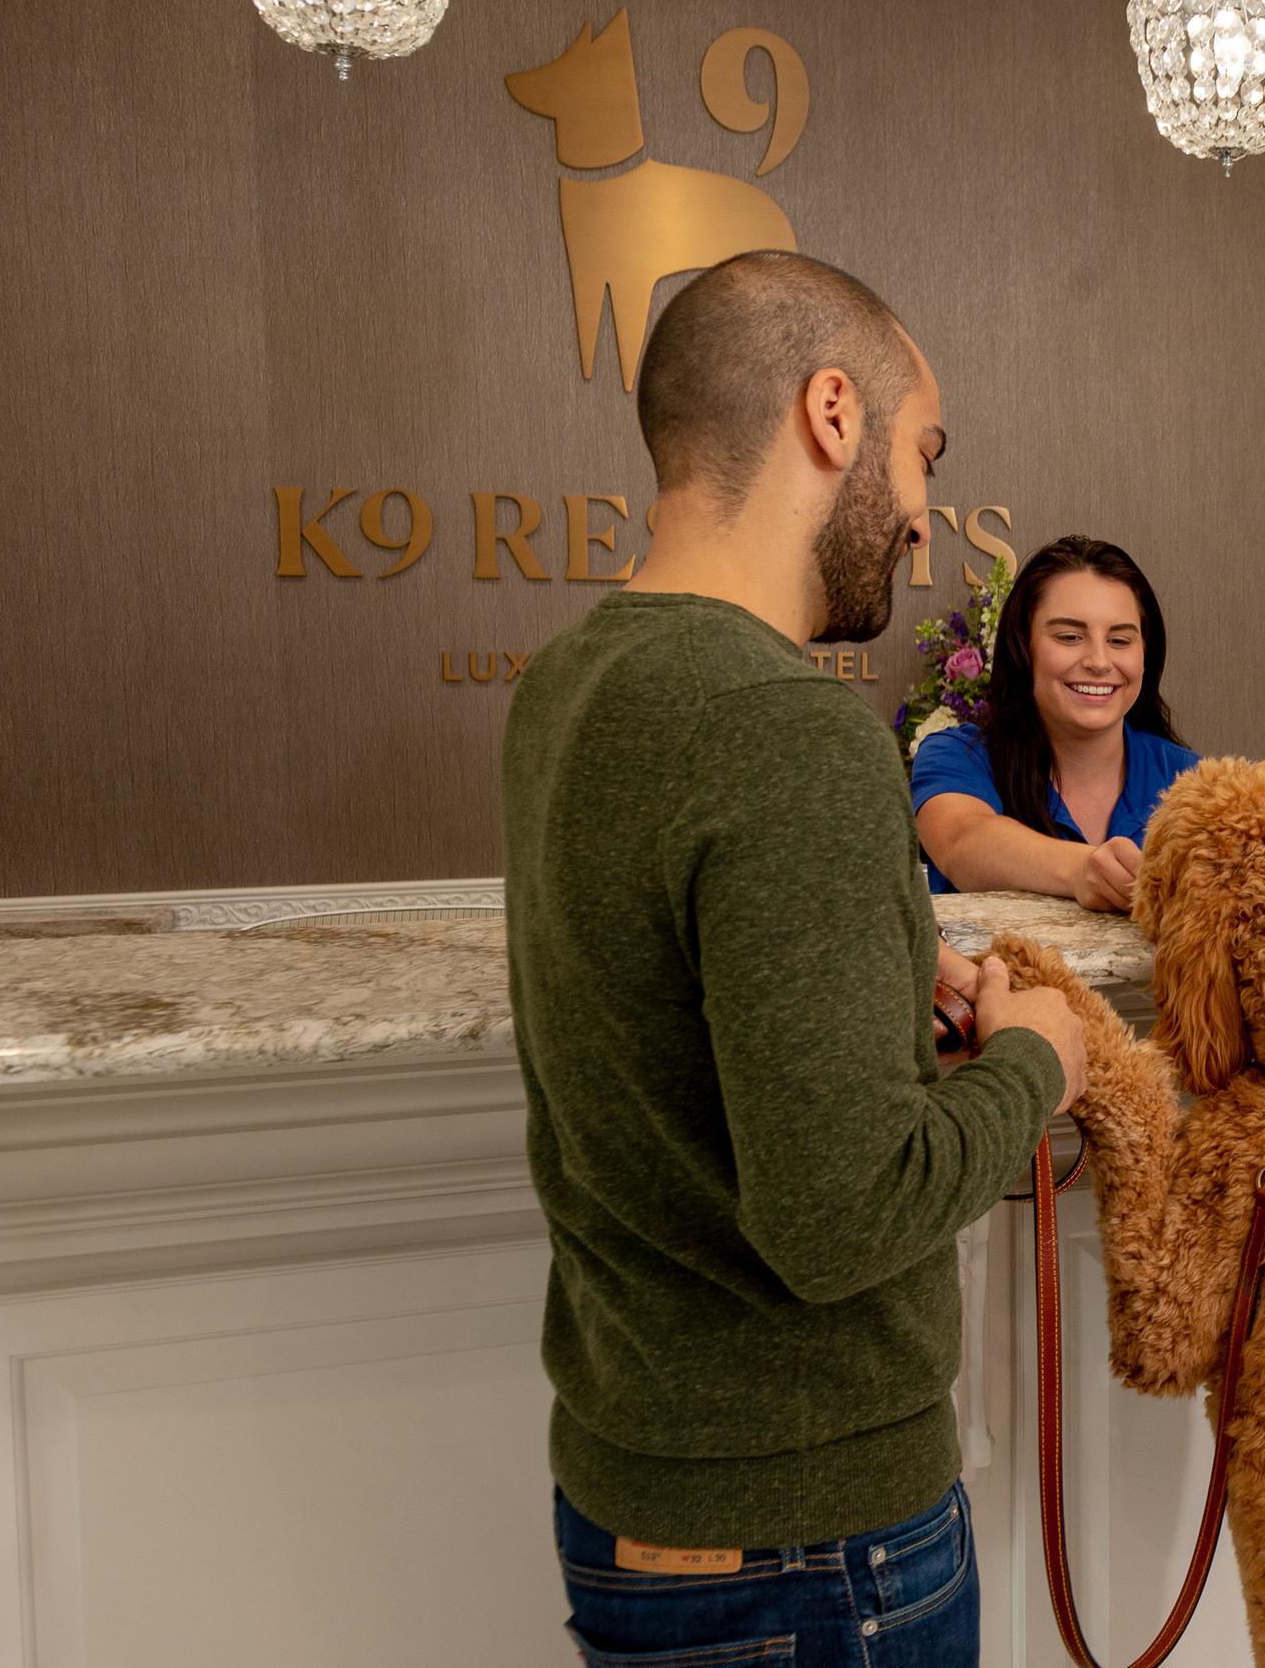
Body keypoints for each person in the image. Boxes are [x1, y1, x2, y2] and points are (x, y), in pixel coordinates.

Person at [500, 249, 1090, 1667]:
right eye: (923, 450)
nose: (926, 516)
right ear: (833, 412)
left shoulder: (568, 683)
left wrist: (878, 974)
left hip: (634, 1496)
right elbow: (842, 1214)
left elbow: (682, 1025)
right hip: (815, 1548)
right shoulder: (785, 725)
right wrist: (1037, 1062)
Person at [911, 534, 1199, 910]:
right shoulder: (956, 755)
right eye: (1069, 637)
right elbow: (961, 842)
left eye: (1119, 640)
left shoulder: (1192, 782)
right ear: (1023, 648)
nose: (1099, 661)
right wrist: (1080, 869)